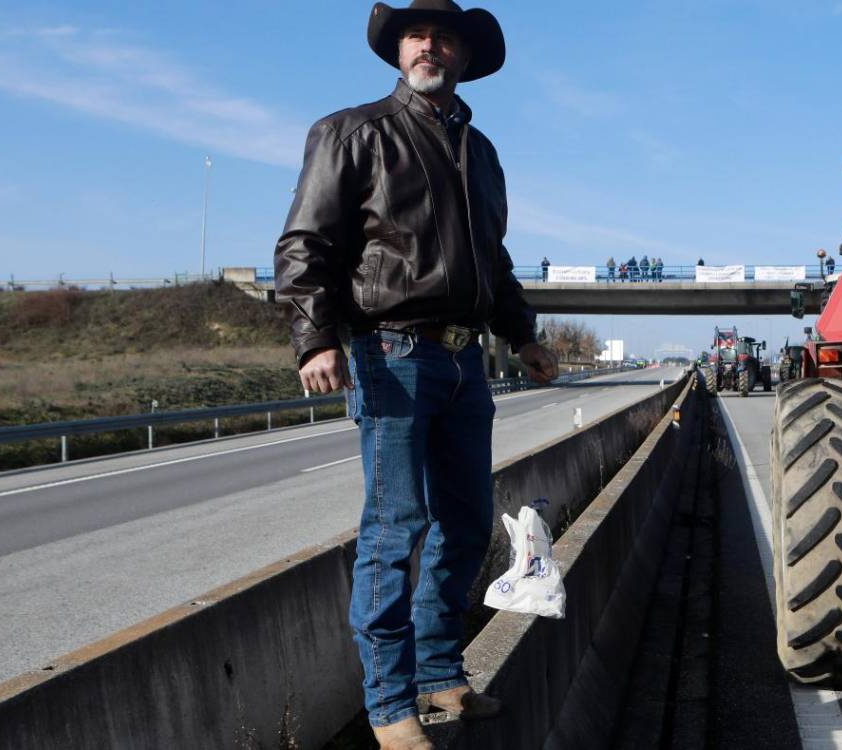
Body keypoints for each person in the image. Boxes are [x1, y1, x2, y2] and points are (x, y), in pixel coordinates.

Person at [273, 3, 558, 747]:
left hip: (465, 360)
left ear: (464, 55)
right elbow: (304, 244)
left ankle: (439, 671)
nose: (429, 46)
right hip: (389, 352)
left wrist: (523, 335)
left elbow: (492, 258)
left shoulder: (480, 151)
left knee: (464, 524)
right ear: (399, 51)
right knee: (394, 529)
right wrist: (315, 339)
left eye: (443, 36)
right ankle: (390, 705)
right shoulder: (353, 132)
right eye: (415, 35)